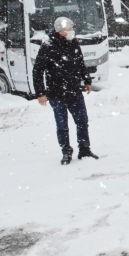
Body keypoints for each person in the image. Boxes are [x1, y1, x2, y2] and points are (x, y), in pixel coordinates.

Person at [33, 17, 99, 165]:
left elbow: (80, 62)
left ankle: (84, 149)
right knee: (62, 126)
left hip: (74, 91)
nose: (72, 31)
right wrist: (40, 92)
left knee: (82, 121)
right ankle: (66, 152)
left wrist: (86, 80)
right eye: (69, 29)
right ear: (60, 30)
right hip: (56, 93)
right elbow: (38, 70)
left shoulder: (73, 43)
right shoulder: (48, 45)